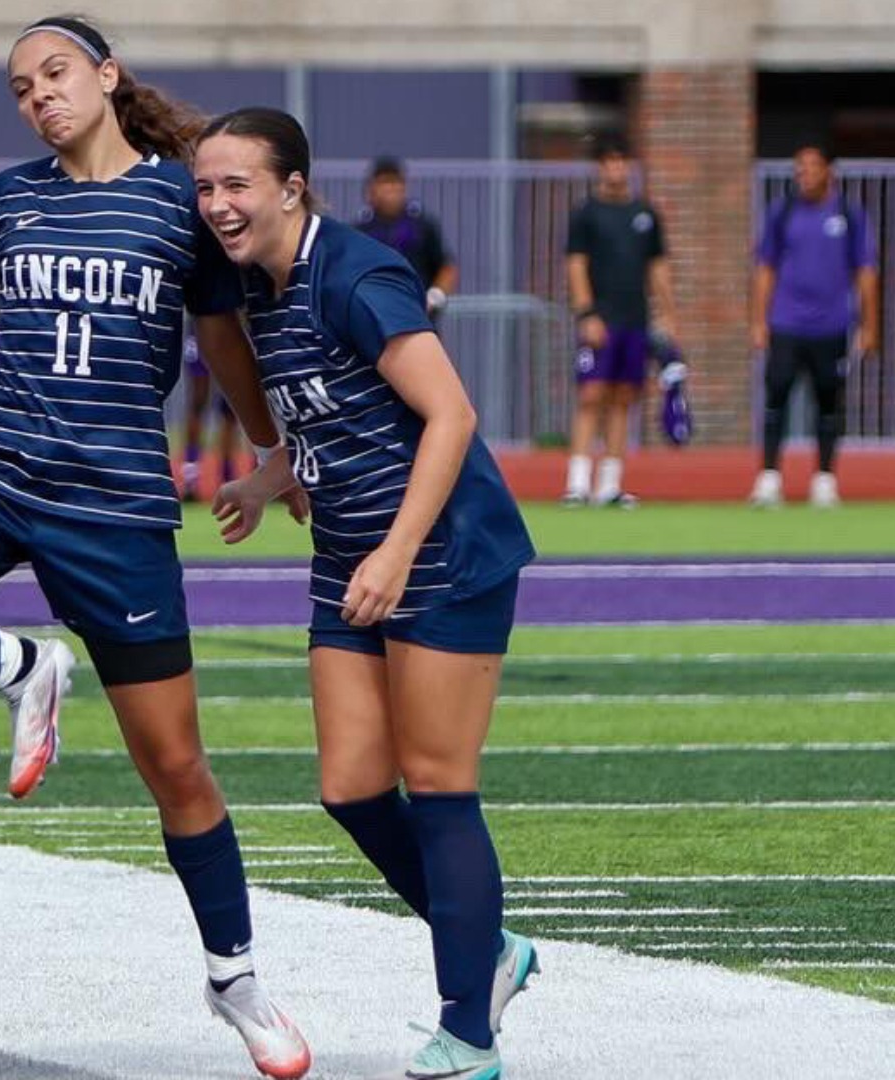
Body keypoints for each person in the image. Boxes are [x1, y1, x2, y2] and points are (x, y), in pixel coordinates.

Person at [0, 18, 311, 1077]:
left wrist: (274, 453)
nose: (39, 96)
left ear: (108, 76)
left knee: (177, 771)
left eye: (56, 74)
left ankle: (235, 978)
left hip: (114, 509)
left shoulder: (181, 199)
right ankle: (22, 666)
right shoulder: (11, 195)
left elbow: (222, 345)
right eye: (23, 86)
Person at [196, 106, 540, 1080]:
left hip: (442, 554)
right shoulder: (254, 284)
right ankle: (494, 952)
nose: (219, 204)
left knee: (437, 784)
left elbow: (450, 415)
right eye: (207, 187)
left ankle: (468, 1033)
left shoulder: (356, 272)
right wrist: (271, 478)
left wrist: (394, 553)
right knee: (349, 786)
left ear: (293, 189)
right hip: (350, 552)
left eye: (238, 186)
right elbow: (330, 408)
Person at [748, 143, 880, 509]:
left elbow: (866, 273)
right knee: (777, 397)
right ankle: (769, 478)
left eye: (812, 166)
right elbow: (765, 269)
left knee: (829, 403)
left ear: (828, 172)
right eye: (799, 167)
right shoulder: (783, 213)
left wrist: (869, 325)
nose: (804, 174)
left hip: (832, 324)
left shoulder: (849, 216)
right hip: (787, 323)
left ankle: (824, 478)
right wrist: (759, 320)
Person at [561, 135, 676, 508]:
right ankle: (577, 483)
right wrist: (587, 313)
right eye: (609, 161)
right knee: (592, 394)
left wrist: (668, 312)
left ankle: (609, 485)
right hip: (602, 317)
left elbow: (656, 267)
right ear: (600, 167)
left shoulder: (645, 214)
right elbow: (576, 265)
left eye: (622, 161)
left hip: (635, 317)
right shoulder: (586, 213)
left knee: (624, 397)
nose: (616, 168)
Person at [354, 156, 458, 323]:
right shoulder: (361, 229)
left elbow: (446, 267)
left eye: (395, 183)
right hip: (374, 319)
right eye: (384, 183)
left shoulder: (422, 224)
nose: (391, 190)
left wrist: (434, 297)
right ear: (371, 189)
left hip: (417, 316)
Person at [176, 329, 241, 502]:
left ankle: (228, 478)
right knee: (198, 401)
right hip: (201, 327)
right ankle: (190, 480)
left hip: (232, 329)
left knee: (230, 407)